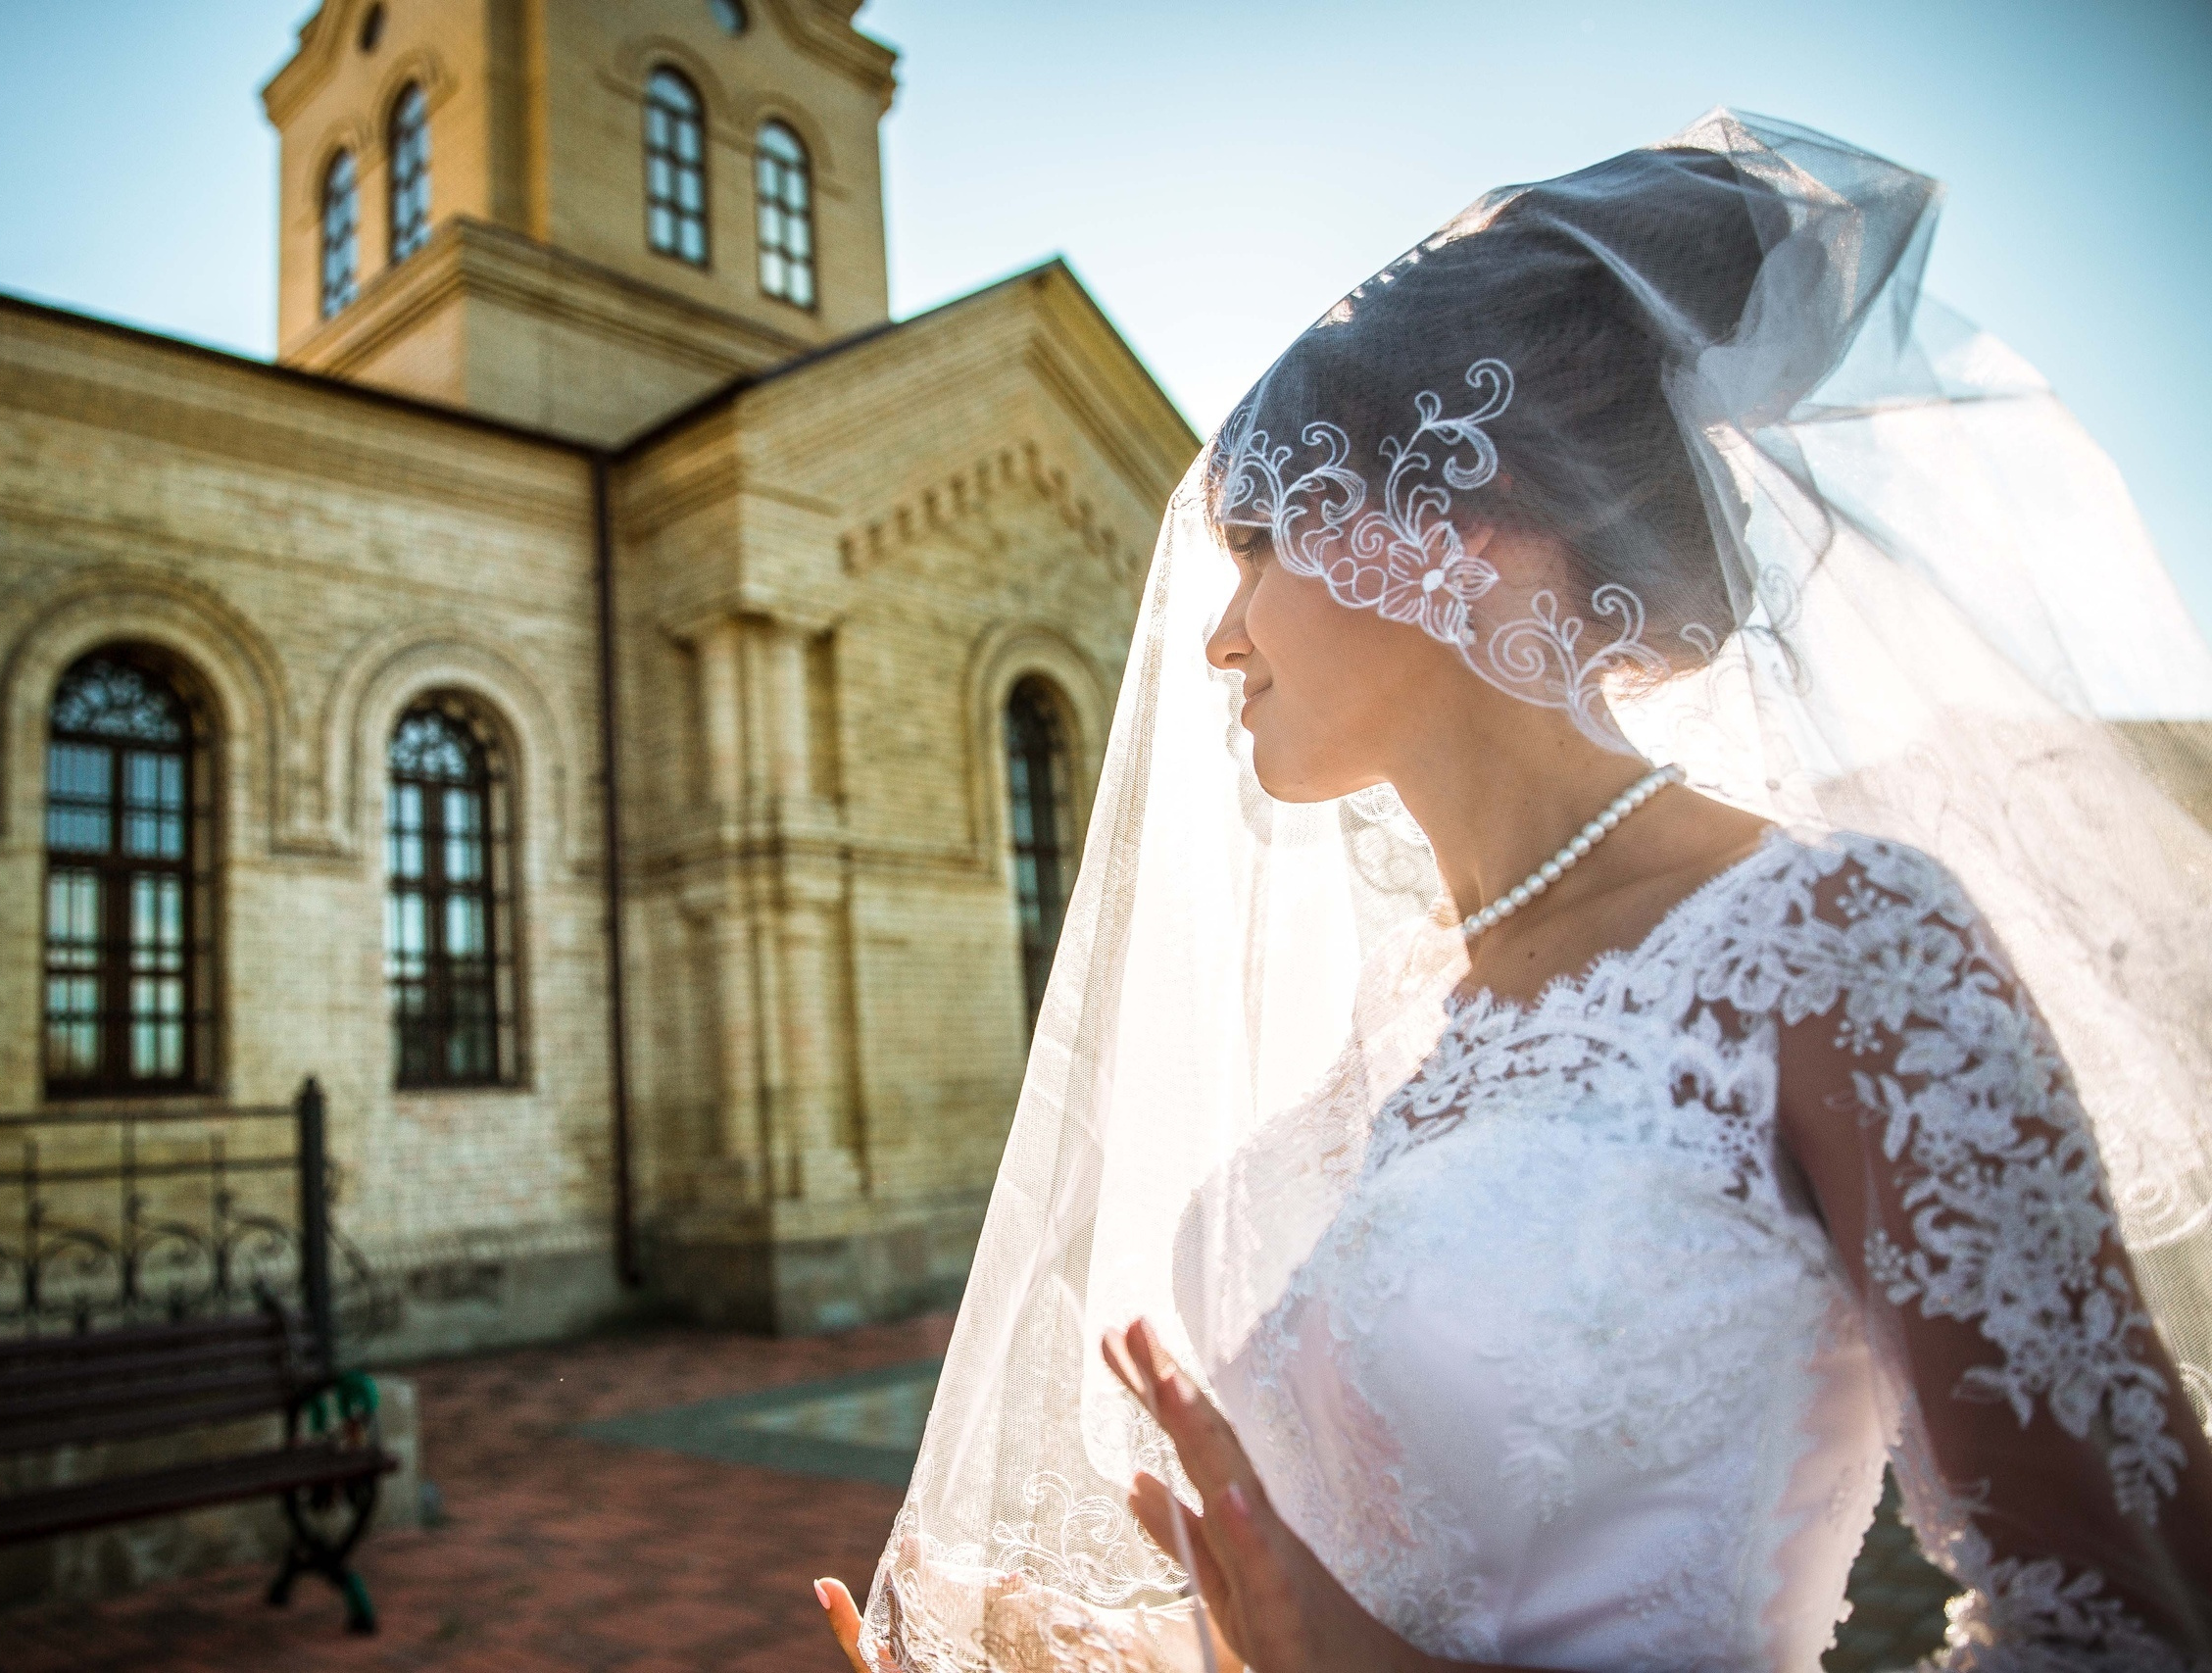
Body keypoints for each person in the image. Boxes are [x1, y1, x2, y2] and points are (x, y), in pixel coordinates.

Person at [815, 111, 2212, 1670]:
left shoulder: (1842, 951)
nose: (1218, 637)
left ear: (1462, 523)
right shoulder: (1406, 1009)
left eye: (1264, 538)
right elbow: (1366, 1584)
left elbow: (2138, 1625)